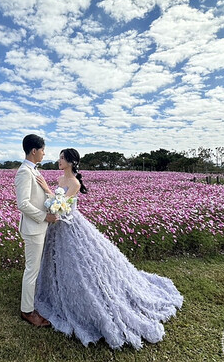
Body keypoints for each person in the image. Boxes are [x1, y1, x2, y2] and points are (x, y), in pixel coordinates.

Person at [34, 148, 184, 349]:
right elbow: (57, 206)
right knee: (58, 265)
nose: (59, 161)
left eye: (62, 158)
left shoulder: (74, 183)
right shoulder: (61, 180)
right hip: (59, 227)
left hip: (71, 226)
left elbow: (62, 206)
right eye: (60, 157)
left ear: (71, 162)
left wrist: (45, 188)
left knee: (83, 266)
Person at [14, 134, 58, 327]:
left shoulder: (33, 171)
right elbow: (22, 204)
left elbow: (39, 197)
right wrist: (44, 217)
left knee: (35, 269)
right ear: (34, 151)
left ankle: (30, 304)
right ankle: (27, 311)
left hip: (39, 227)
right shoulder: (24, 171)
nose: (44, 153)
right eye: (42, 150)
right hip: (34, 229)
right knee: (32, 270)